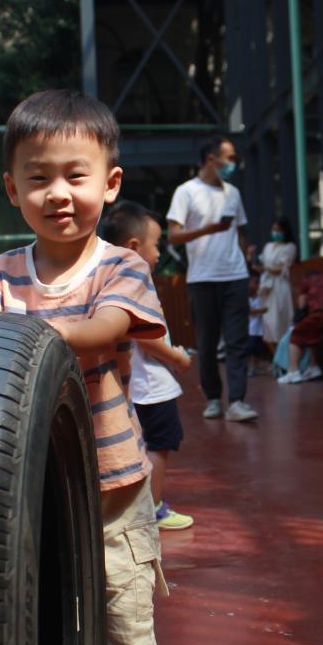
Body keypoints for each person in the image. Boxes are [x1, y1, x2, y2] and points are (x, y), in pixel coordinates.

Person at [0, 90, 191, 645]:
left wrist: (28, 332)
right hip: (27, 488)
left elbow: (106, 330)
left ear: (110, 183)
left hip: (113, 485)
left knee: (126, 618)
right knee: (33, 623)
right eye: (38, 178)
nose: (58, 193)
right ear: (12, 189)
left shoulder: (121, 267)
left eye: (75, 175)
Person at [101, 200, 197, 532]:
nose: (158, 253)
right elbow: (146, 338)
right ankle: (153, 508)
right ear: (133, 247)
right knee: (159, 445)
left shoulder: (108, 281)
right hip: (152, 388)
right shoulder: (135, 284)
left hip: (133, 386)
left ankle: (134, 508)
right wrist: (177, 358)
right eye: (155, 244)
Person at [166, 137, 259, 422]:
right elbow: (173, 235)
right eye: (229, 158)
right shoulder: (186, 191)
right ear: (211, 158)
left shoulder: (233, 193)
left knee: (237, 341)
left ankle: (238, 401)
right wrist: (206, 230)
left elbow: (240, 234)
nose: (233, 164)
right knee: (206, 343)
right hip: (202, 278)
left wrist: (249, 271)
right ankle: (214, 398)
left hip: (235, 275)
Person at [257, 215, 298, 351]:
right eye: (274, 229)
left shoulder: (290, 247)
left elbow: (281, 269)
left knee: (280, 323)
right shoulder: (268, 246)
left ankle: (283, 357)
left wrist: (266, 269)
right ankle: (277, 357)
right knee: (267, 324)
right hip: (267, 288)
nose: (275, 232)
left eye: (279, 230)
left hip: (280, 287)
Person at [247, 274, 273, 375]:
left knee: (258, 349)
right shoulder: (247, 298)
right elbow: (249, 311)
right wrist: (262, 310)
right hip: (251, 329)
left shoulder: (261, 297)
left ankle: (255, 367)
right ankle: (251, 367)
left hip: (261, 328)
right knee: (251, 348)